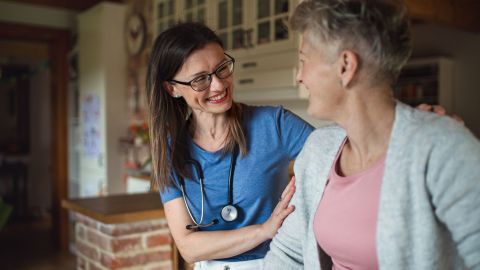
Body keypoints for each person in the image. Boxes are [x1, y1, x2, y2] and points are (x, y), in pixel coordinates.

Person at [263, 0, 480, 269]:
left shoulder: (442, 148)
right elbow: (288, 253)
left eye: (304, 60)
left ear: (345, 66)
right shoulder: (319, 148)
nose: (300, 76)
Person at [145, 22, 314, 269]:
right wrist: (264, 230)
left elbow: (336, 160)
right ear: (172, 88)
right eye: (200, 79)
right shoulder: (170, 151)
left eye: (222, 68)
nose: (219, 85)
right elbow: (188, 247)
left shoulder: (275, 124)